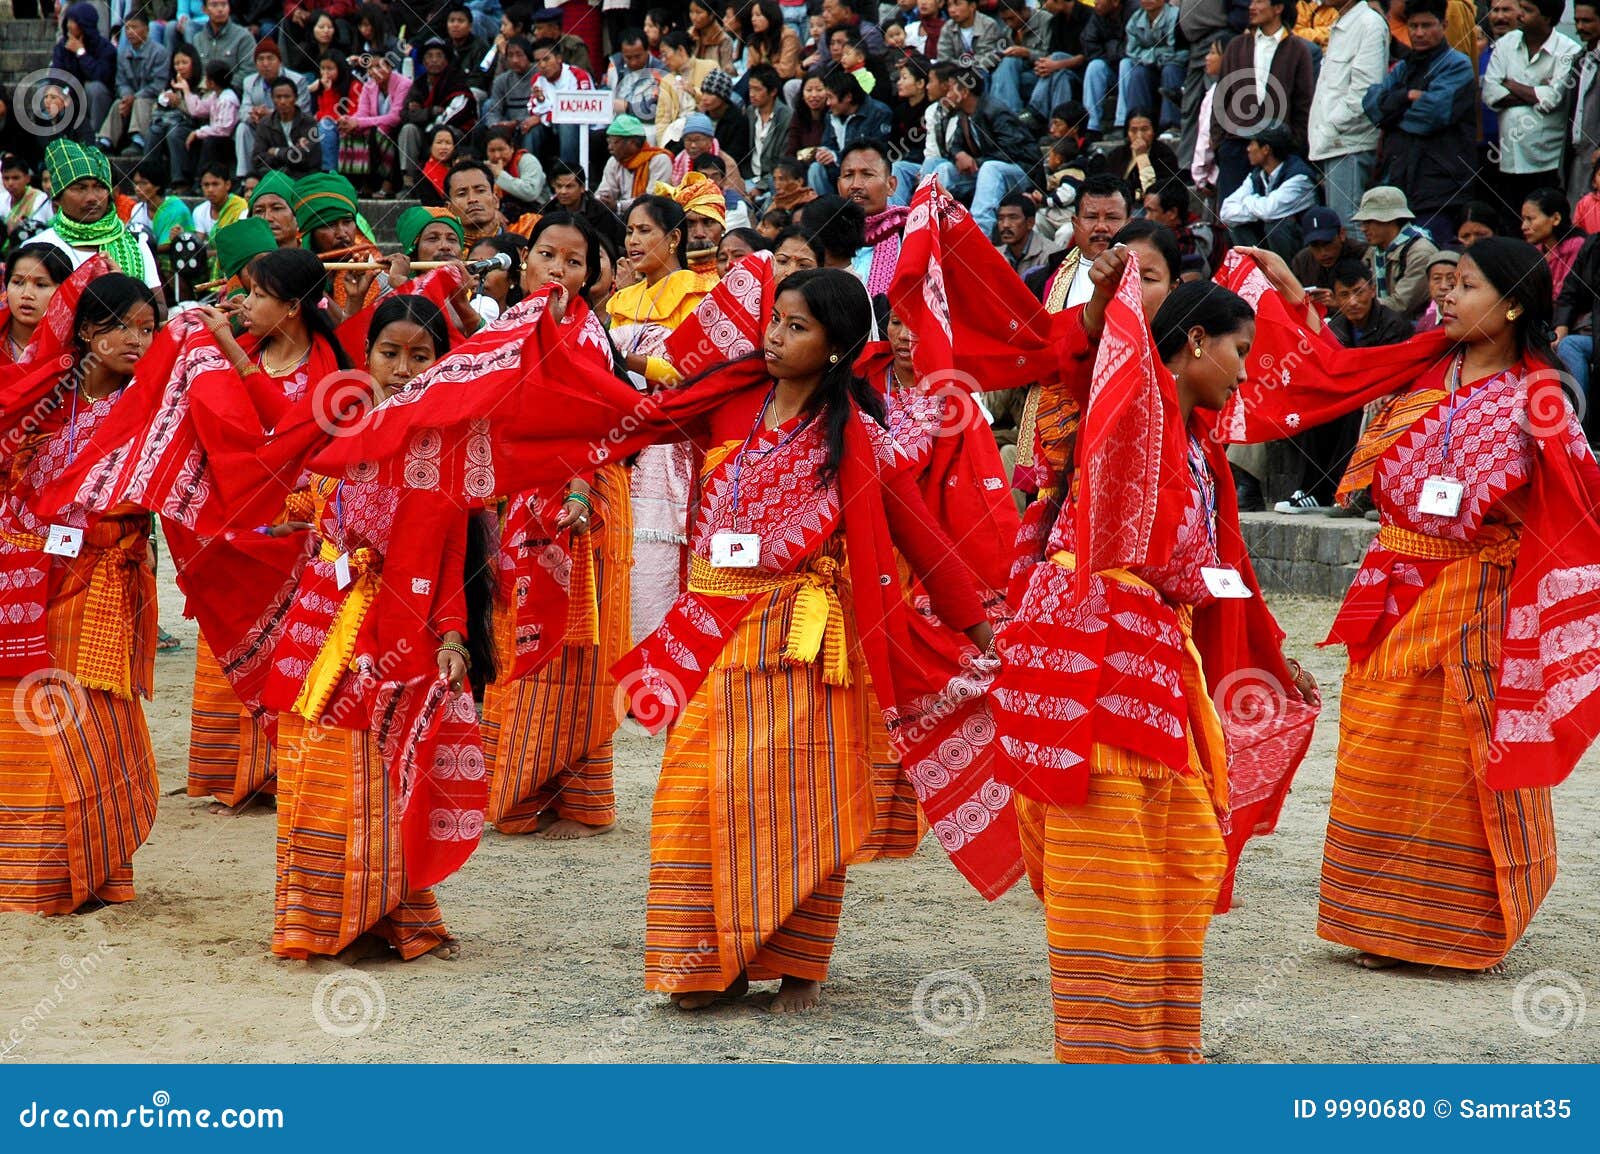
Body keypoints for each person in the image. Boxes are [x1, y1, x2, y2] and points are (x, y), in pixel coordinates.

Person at [997, 253, 1319, 1061]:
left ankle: (1158, 1042)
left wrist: (1272, 660)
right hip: (1093, 658)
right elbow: (1094, 360)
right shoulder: (1134, 408)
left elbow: (1227, 571)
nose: (1246, 375)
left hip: (1155, 658)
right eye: (1241, 353)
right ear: (1198, 341)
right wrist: (1107, 299)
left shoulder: (1201, 452)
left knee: (1174, 853)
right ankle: (1109, 1051)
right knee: (1108, 851)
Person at [1246, 239, 1577, 975]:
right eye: (1446, 286)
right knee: (1377, 736)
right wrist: (1293, 293)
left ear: (1515, 302)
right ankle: (1378, 920)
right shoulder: (1421, 365)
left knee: (1449, 751)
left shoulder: (1542, 398)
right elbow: (1326, 375)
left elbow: (1577, 508)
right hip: (1392, 581)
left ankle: (1448, 932)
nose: (1448, 298)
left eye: (1467, 286)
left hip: (1473, 588)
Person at [206, 289, 485, 961]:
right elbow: (308, 493)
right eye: (390, 353)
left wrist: (453, 637)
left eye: (421, 356)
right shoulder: (340, 424)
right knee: (312, 765)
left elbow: (453, 551)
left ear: (442, 364)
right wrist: (282, 516)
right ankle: (318, 919)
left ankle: (384, 914)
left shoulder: (445, 444)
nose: (403, 367)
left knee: (383, 770)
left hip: (396, 624)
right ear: (366, 357)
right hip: (319, 621)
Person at [0, 273, 162, 915]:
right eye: (127, 327)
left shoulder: (148, 405)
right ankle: (29, 876)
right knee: (30, 723)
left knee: (91, 718)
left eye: (150, 330)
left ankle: (96, 870)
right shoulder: (38, 400)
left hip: (102, 579)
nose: (139, 341)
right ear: (90, 333)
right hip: (27, 577)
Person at [480, 212, 631, 841]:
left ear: (592, 275)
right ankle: (518, 790)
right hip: (519, 501)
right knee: (518, 638)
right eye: (548, 256)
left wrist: (575, 490)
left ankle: (573, 796)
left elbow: (595, 423)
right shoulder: (512, 328)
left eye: (574, 261)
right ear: (525, 262)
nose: (559, 270)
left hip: (580, 505)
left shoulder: (589, 335)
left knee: (573, 649)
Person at [608, 194, 719, 640]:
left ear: (673, 238)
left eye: (644, 231)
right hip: (622, 439)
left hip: (674, 442)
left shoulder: (702, 295)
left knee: (663, 552)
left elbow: (692, 372)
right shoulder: (622, 299)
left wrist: (629, 360)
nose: (633, 240)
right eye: (630, 231)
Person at [1362, 0, 1478, 245]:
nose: (1419, 33)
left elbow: (1430, 116)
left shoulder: (1457, 65)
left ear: (1444, 25)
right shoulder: (1403, 67)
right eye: (1413, 26)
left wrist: (1391, 113)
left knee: (1434, 260)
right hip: (1399, 184)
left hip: (1440, 187)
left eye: (1427, 25)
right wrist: (1406, 97)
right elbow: (1371, 105)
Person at [1481, 0, 1582, 213]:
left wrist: (1510, 84)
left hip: (1547, 162)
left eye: (1527, 10)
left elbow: (1553, 99)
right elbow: (1490, 93)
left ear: (1546, 17)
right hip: (1507, 159)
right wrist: (1535, 92)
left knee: (1544, 225)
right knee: (1511, 223)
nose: (1519, 14)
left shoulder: (1568, 50)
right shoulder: (1505, 44)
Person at [1211, 0, 1315, 202]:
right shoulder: (1236, 46)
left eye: (1259, 1)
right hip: (1235, 145)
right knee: (1233, 213)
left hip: (1277, 149)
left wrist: (1294, 144)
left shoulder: (1298, 50)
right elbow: (1221, 96)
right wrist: (1219, 142)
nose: (1251, 7)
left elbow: (1303, 104)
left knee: (1272, 216)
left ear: (1278, 8)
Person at [927, 67, 1041, 238]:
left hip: (1022, 172)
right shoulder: (964, 115)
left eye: (951, 89)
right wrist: (959, 154)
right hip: (986, 171)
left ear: (964, 92)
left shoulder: (995, 111)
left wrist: (976, 162)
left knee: (990, 168)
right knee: (944, 169)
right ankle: (931, 228)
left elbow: (1012, 152)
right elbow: (954, 146)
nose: (947, 94)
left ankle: (979, 236)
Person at [32, 139, 160, 291]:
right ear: (58, 197)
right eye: (80, 188)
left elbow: (158, 308)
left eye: (100, 187)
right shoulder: (38, 248)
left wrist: (126, 288)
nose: (93, 197)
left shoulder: (135, 243)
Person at [1308, 0, 1388, 229]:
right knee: (1341, 226)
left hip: (1350, 144)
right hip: (1333, 144)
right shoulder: (1342, 24)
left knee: (1352, 226)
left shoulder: (1369, 23)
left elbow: (1364, 93)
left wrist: (1330, 127)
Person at [1028, 172, 1132, 308]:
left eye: (1112, 218)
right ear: (1075, 223)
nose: (1101, 227)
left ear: (1129, 224)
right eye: (1091, 217)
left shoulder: (1145, 277)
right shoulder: (1040, 281)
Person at [1219, 121, 1318, 259]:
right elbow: (1226, 212)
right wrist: (1260, 208)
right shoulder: (1257, 174)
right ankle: (1257, 273)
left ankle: (1287, 275)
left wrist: (1248, 200)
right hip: (1268, 240)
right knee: (1236, 226)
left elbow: (1270, 211)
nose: (1248, 149)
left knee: (1275, 227)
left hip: (1302, 248)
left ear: (1266, 149)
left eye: (1252, 144)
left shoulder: (1299, 177)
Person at [398, 39, 479, 189]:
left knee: (444, 135)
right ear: (423, 61)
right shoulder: (419, 84)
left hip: (452, 131)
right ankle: (408, 181)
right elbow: (405, 115)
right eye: (429, 56)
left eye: (439, 56)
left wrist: (422, 114)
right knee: (408, 129)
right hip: (425, 132)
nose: (434, 60)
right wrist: (430, 111)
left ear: (446, 60)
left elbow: (459, 112)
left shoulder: (455, 81)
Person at [1352, 185, 1440, 319]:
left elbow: (1401, 305)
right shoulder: (1374, 251)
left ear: (1391, 220)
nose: (1364, 228)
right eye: (1363, 222)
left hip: (1415, 328)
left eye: (1369, 221)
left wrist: (1350, 305)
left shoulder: (1421, 252)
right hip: (1383, 324)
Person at [806, 68, 894, 197]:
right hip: (838, 170)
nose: (828, 103)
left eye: (830, 97)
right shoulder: (831, 114)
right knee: (816, 168)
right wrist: (825, 153)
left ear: (848, 97)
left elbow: (876, 153)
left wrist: (836, 156)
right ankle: (824, 210)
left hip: (865, 171)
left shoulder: (879, 113)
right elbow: (827, 143)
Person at [1104, 0, 1186, 133]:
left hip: (1176, 64)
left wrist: (1150, 55)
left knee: (1170, 69)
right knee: (1138, 73)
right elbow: (1132, 51)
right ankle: (1136, 124)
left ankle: (1171, 125)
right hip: (1151, 66)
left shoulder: (1175, 15)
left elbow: (1174, 50)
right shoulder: (1136, 19)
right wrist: (1156, 55)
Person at [837, 140, 906, 295]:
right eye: (848, 175)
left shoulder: (909, 234)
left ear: (891, 185)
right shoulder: (823, 236)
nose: (856, 185)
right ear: (838, 185)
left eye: (867, 175)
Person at [236, 40, 308, 183]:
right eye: (260, 59)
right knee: (242, 128)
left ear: (279, 61)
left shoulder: (297, 80)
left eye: (270, 58)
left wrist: (271, 115)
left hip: (288, 127)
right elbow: (243, 110)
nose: (265, 63)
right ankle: (246, 178)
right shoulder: (249, 82)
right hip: (262, 129)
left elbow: (302, 111)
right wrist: (253, 114)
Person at [341, 53, 410, 197]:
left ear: (390, 67)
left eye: (379, 66)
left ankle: (388, 183)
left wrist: (358, 122)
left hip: (397, 129)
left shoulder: (404, 84)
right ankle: (360, 183)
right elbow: (362, 113)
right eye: (370, 68)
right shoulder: (369, 85)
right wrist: (349, 120)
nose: (374, 71)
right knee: (349, 130)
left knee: (381, 131)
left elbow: (395, 118)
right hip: (375, 128)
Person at [100, 11, 170, 154]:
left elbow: (158, 85)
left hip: (151, 101)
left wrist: (135, 97)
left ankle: (139, 141)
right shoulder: (123, 53)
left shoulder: (159, 52)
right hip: (131, 99)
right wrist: (127, 96)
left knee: (141, 101)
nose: (130, 32)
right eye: (127, 28)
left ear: (146, 29)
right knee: (118, 103)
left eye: (134, 27)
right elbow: (121, 82)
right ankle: (105, 141)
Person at [54, 3, 118, 145]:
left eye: (74, 22)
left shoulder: (105, 47)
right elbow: (57, 74)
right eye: (68, 21)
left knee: (94, 88)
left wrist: (81, 53)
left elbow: (101, 75)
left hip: (98, 101)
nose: (69, 25)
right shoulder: (62, 46)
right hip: (73, 96)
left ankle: (96, 138)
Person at [0, 243, 73, 368]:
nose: (27, 294)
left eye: (41, 285)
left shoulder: (75, 348)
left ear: (63, 292)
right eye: (18, 282)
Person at [129, 164, 196, 284]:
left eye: (143, 183)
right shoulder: (137, 209)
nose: (137, 188)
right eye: (136, 183)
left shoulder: (176, 208)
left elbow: (168, 245)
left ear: (157, 185)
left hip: (179, 255)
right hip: (146, 254)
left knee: (164, 262)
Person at [597, 114, 672, 216]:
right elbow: (605, 191)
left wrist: (618, 206)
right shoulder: (613, 161)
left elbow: (652, 199)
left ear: (632, 142)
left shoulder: (660, 160)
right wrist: (601, 199)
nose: (609, 147)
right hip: (621, 217)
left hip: (654, 216)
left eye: (615, 142)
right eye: (608, 142)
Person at [1521, 186, 1588, 298]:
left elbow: (1568, 298)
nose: (1523, 226)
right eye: (1523, 219)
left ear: (1556, 219)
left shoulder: (1578, 247)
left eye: (1530, 219)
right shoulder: (1536, 251)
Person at [545, 160, 625, 251]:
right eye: (559, 186)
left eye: (569, 186)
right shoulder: (549, 210)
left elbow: (607, 247)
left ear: (582, 187)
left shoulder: (601, 213)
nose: (563, 192)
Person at [1102, 108, 1181, 201]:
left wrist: (1142, 157)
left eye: (1145, 129)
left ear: (1154, 130)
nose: (1139, 136)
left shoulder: (1165, 155)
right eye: (1133, 130)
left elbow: (1156, 193)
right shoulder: (1117, 154)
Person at [250, 77, 319, 178]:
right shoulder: (265, 124)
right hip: (276, 177)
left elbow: (307, 159)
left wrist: (276, 151)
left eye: (287, 97)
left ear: (295, 98)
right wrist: (291, 153)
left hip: (305, 177)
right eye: (278, 97)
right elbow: (258, 160)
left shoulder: (308, 122)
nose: (282, 101)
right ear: (272, 99)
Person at [1290, 204, 1367, 295]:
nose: (1323, 253)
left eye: (1327, 243)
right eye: (1315, 246)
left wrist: (1338, 303)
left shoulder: (1362, 254)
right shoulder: (1301, 262)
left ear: (1342, 234)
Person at [184, 60, 243, 177]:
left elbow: (223, 130)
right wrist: (185, 90)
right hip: (218, 137)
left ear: (212, 82)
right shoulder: (216, 95)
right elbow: (198, 109)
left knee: (208, 141)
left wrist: (198, 132)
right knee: (193, 139)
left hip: (228, 141)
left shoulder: (228, 99)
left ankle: (201, 178)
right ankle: (191, 178)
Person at [656, 31, 718, 140]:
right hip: (677, 135)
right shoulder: (666, 81)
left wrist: (694, 92)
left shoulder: (709, 67)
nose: (663, 61)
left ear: (680, 50)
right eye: (661, 56)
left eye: (665, 55)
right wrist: (663, 146)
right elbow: (662, 119)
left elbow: (717, 101)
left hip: (706, 128)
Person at [483, 35, 538, 147]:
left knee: (530, 133)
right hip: (508, 123)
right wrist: (497, 124)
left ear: (528, 56)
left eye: (519, 55)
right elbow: (494, 111)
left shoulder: (539, 76)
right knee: (482, 130)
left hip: (531, 123)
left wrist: (517, 123)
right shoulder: (501, 80)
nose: (515, 60)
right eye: (510, 55)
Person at [190, 0, 258, 87]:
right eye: (214, 5)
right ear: (204, 9)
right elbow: (194, 72)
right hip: (204, 92)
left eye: (224, 4)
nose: (220, 9)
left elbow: (249, 71)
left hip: (233, 93)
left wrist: (220, 86)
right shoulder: (198, 39)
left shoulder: (243, 36)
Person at [993, 192, 1056, 277]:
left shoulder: (1050, 255)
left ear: (1030, 223)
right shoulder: (995, 254)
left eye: (1013, 218)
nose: (1005, 225)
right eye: (1001, 219)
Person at [1, 155, 55, 249]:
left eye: (15, 178)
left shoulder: (40, 199)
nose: (10, 183)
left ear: (27, 178)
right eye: (6, 178)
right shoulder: (2, 198)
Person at [248, 170, 300, 248]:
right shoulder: (242, 259)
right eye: (259, 211)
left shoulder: (317, 258)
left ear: (298, 217)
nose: (267, 218)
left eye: (277, 209)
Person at [192, 163, 246, 237]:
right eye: (206, 185)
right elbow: (199, 243)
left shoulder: (241, 208)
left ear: (227, 185)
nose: (210, 190)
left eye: (215, 184)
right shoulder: (199, 211)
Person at [1414, 247, 1459, 332]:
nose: (1443, 286)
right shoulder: (1424, 324)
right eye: (1437, 278)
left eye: (1451, 278)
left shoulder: (1470, 321)